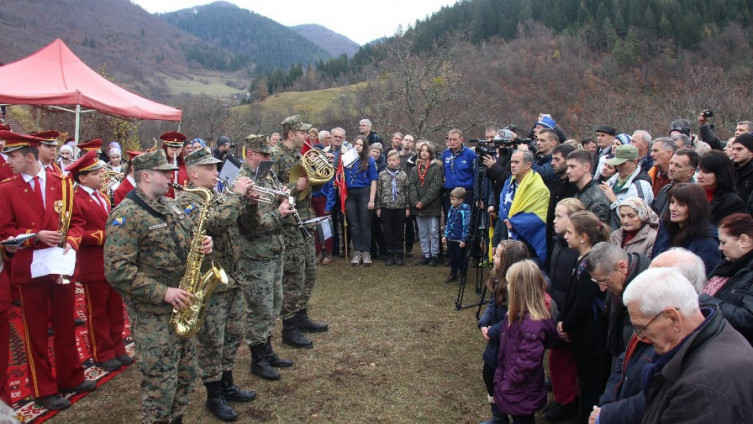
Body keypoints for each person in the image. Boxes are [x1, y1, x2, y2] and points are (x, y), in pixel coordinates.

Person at [104, 149, 213, 424]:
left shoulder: (170, 205)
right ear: (145, 176)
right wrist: (163, 292)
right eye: (165, 173)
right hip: (153, 314)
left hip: (183, 303)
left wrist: (203, 244)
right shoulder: (126, 215)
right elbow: (117, 271)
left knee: (186, 375)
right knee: (160, 384)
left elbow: (188, 238)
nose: (171, 177)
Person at [0, 131, 95, 411]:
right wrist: (35, 235)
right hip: (30, 270)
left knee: (66, 324)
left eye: (13, 156)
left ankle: (71, 376)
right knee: (36, 331)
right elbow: (5, 232)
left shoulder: (62, 183)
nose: (8, 161)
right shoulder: (6, 189)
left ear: (29, 156)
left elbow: (77, 222)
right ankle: (43, 389)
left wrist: (73, 242)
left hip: (60, 264)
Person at [176, 148, 256, 421]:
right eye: (209, 168)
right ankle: (214, 394)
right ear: (193, 172)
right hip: (210, 281)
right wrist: (235, 196)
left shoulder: (217, 195)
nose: (215, 172)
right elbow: (217, 222)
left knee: (233, 333)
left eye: (215, 167)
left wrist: (249, 202)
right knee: (212, 339)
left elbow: (245, 225)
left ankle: (227, 382)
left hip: (232, 277)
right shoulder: (188, 199)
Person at [622, 267, 753, 423]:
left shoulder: (700, 387)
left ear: (672, 318)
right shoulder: (717, 334)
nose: (641, 336)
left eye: (642, 327)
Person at [67, 150, 133, 373]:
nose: (101, 176)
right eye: (95, 173)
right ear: (82, 178)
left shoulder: (102, 196)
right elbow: (77, 232)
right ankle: (102, 352)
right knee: (97, 311)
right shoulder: (76, 199)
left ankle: (118, 347)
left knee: (115, 307)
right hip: (92, 263)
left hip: (110, 261)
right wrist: (106, 235)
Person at [236, 135, 295, 381]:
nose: (270, 159)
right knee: (259, 307)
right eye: (265, 155)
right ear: (251, 154)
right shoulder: (242, 181)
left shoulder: (266, 174)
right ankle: (257, 357)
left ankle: (267, 349)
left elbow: (274, 201)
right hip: (255, 253)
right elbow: (250, 226)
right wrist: (279, 214)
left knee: (273, 303)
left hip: (273, 248)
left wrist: (283, 196)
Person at [272, 115, 328, 350]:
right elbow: (268, 192)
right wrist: (296, 187)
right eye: (302, 132)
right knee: (293, 275)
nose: (307, 136)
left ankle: (301, 314)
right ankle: (289, 327)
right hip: (288, 226)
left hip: (305, 220)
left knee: (308, 271)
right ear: (291, 134)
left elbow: (313, 187)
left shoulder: (298, 156)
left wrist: (321, 175)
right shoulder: (274, 157)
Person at [558, 211, 611, 424]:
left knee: (590, 384)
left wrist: (566, 324)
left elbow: (582, 303)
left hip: (590, 335)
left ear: (584, 237)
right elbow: (571, 295)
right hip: (578, 330)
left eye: (569, 232)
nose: (565, 236)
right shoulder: (579, 258)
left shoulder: (592, 264)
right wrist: (562, 320)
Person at [493, 260, 556, 424]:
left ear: (518, 288)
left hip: (522, 389)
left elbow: (528, 362)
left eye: (509, 283)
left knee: (522, 418)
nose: (506, 286)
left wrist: (509, 381)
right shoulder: (515, 314)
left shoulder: (532, 325)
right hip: (513, 383)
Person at [478, 240, 529, 424]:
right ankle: (499, 417)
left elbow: (513, 319)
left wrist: (493, 331)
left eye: (498, 256)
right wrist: (483, 322)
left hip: (511, 345)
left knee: (512, 387)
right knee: (489, 374)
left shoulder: (519, 288)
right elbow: (494, 304)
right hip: (495, 343)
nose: (493, 257)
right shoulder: (499, 277)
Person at [544, 198, 584, 422]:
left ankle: (568, 402)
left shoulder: (576, 251)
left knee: (565, 360)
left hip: (567, 317)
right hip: (557, 309)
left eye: (559, 217)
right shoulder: (559, 243)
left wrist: (566, 320)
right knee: (556, 359)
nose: (554, 220)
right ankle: (562, 397)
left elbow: (574, 291)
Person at [586, 242, 650, 359]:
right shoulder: (618, 284)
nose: (602, 288)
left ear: (622, 267)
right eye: (597, 282)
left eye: (604, 281)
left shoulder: (648, 294)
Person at [701, 213, 753, 346]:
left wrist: (706, 301)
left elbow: (748, 319)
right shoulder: (728, 264)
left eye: (724, 242)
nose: (720, 247)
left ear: (744, 241)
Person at [651, 183, 721, 273]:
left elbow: (703, 278)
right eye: (672, 202)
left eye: (681, 204)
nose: (673, 208)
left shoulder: (708, 242)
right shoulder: (666, 229)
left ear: (695, 207)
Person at [498, 150, 550, 264]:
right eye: (511, 162)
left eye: (516, 162)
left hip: (527, 241)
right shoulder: (508, 183)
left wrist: (515, 222)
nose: (512, 165)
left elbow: (539, 216)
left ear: (528, 165)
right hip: (506, 233)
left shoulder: (538, 188)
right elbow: (502, 206)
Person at [599, 145, 654, 230]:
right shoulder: (614, 179)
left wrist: (614, 201)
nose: (618, 167)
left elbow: (639, 219)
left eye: (622, 163)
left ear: (635, 162)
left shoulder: (641, 185)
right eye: (616, 163)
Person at [408, 141, 443, 266]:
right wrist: (415, 201)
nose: (423, 152)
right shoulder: (414, 169)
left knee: (433, 232)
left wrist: (423, 202)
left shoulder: (436, 168)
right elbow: (411, 186)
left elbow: (435, 188)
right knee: (422, 231)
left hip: (431, 206)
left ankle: (434, 254)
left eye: (426, 150)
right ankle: (425, 254)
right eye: (421, 150)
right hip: (417, 207)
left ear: (431, 153)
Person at [345, 135, 378, 266]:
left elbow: (374, 181)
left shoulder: (369, 160)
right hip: (350, 195)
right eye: (356, 144)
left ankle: (366, 252)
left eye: (361, 144)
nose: (358, 146)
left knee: (364, 225)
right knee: (354, 225)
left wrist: (371, 200)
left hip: (364, 192)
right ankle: (357, 251)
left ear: (365, 147)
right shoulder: (347, 159)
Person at [376, 151, 410, 266]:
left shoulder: (403, 175)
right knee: (388, 231)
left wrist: (407, 207)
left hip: (400, 207)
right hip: (386, 207)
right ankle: (389, 254)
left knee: (399, 231)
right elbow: (379, 192)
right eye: (389, 160)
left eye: (393, 160)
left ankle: (399, 254)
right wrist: (379, 207)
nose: (391, 162)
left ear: (398, 161)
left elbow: (407, 192)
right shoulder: (382, 175)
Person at [545, 144, 578, 257]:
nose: (552, 163)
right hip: (552, 242)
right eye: (552, 158)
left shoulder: (574, 188)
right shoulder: (554, 183)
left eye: (557, 159)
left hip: (567, 246)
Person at [697, 150, 744, 225]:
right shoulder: (693, 194)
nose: (699, 176)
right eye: (699, 170)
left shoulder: (732, 202)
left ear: (719, 173)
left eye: (706, 172)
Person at [566, 149, 611, 225]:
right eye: (567, 167)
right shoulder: (579, 191)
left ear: (586, 167)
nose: (568, 171)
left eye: (572, 167)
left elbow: (597, 232)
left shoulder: (596, 199)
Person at [651, 147, 697, 217]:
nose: (671, 168)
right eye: (671, 163)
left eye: (677, 166)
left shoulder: (694, 196)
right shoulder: (665, 189)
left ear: (690, 172)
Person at [442, 128, 477, 215]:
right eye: (450, 139)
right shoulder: (445, 154)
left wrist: (477, 196)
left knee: (465, 222)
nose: (452, 142)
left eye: (455, 139)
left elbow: (476, 175)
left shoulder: (470, 154)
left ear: (462, 140)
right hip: (450, 193)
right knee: (450, 222)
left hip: (465, 193)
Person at [442, 187, 471, 283]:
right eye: (450, 199)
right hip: (451, 238)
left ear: (461, 200)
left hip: (459, 239)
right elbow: (448, 222)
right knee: (452, 256)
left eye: (453, 199)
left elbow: (466, 225)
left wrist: (463, 239)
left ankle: (462, 274)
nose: (451, 201)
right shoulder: (451, 209)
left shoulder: (465, 211)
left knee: (461, 257)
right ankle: (453, 272)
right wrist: (445, 235)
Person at [369, 142, 386, 259]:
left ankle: (383, 250)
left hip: (379, 198)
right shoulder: (365, 163)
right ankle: (372, 250)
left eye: (377, 152)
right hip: (368, 197)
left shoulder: (383, 166)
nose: (375, 154)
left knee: (378, 227)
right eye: (373, 151)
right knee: (369, 226)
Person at [161, 131, 189, 198]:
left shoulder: (186, 167)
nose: (174, 150)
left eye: (177, 147)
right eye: (171, 147)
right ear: (165, 148)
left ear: (181, 150)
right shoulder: (159, 167)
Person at [729, 133, 753, 207]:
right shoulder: (729, 170)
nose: (735, 152)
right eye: (733, 149)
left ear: (751, 152)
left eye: (739, 149)